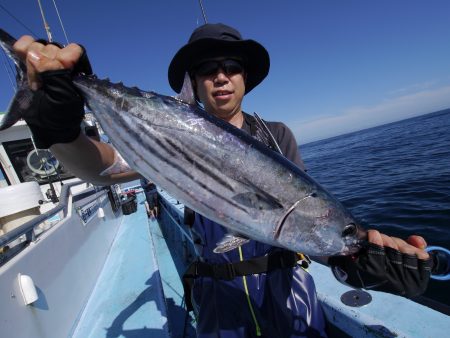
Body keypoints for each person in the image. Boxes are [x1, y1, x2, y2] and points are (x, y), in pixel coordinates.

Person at [13, 23, 432, 337]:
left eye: (231, 67)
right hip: (219, 300)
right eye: (207, 69)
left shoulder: (278, 136)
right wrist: (58, 130)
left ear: (245, 78)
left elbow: (301, 221)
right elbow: (97, 167)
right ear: (193, 83)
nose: (220, 76)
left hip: (286, 289)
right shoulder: (165, 133)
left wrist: (351, 259)